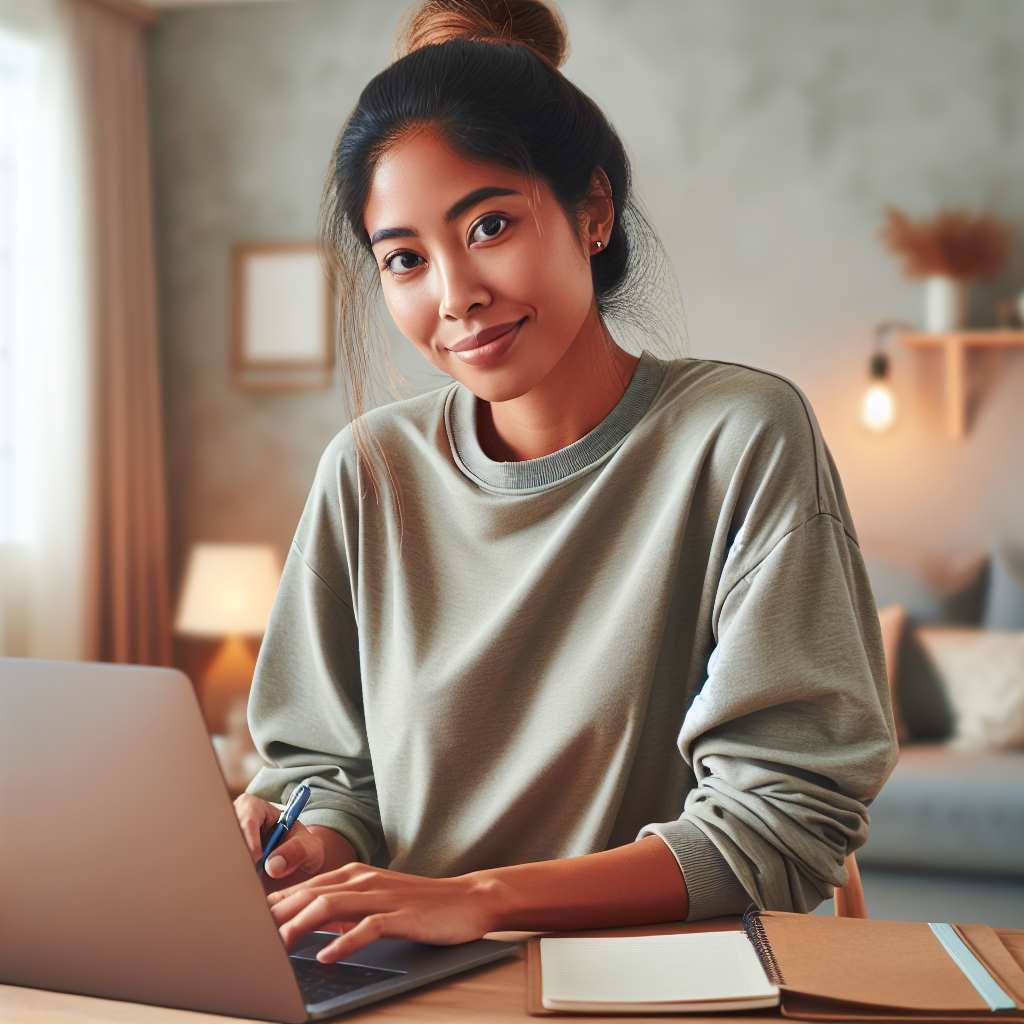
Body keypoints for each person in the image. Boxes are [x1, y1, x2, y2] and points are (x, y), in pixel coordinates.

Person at [234, 0, 898, 966]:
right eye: (406, 259)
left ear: (594, 211)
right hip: (409, 977)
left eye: (490, 225)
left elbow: (783, 825)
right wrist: (307, 846)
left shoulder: (739, 436)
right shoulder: (367, 470)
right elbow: (331, 773)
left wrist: (480, 900)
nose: (454, 294)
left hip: (656, 979)